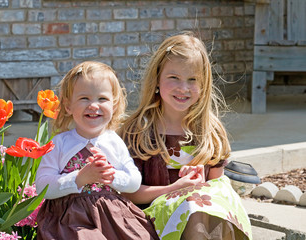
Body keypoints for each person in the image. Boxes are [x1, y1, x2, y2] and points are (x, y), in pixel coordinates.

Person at [119, 32, 252, 240]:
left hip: (201, 220)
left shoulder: (210, 131)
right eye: (174, 78)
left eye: (192, 80)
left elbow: (219, 191)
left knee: (201, 206)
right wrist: (175, 189)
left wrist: (201, 185)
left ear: (204, 85)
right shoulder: (138, 132)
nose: (183, 88)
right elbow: (128, 193)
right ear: (156, 80)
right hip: (150, 218)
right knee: (194, 206)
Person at [35, 61, 158, 240]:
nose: (94, 105)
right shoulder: (60, 143)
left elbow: (134, 181)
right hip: (72, 218)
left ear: (114, 105)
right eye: (84, 98)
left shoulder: (113, 141)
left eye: (102, 99)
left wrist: (112, 176)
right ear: (68, 106)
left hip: (112, 214)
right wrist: (79, 178)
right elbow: (43, 187)